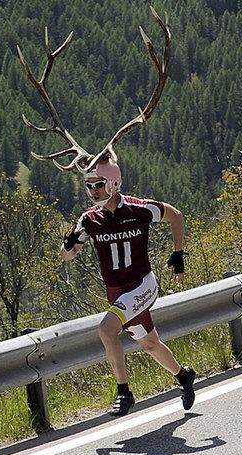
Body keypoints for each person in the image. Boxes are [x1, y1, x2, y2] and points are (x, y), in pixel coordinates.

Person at [61, 156, 195, 416]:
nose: (93, 192)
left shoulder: (139, 208)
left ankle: (124, 392)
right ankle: (184, 376)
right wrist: (67, 246)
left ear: (113, 183)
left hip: (142, 285)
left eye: (98, 185)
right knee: (150, 344)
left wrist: (178, 254)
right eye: (88, 186)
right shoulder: (89, 219)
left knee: (106, 330)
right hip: (117, 293)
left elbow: (176, 216)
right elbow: (69, 255)